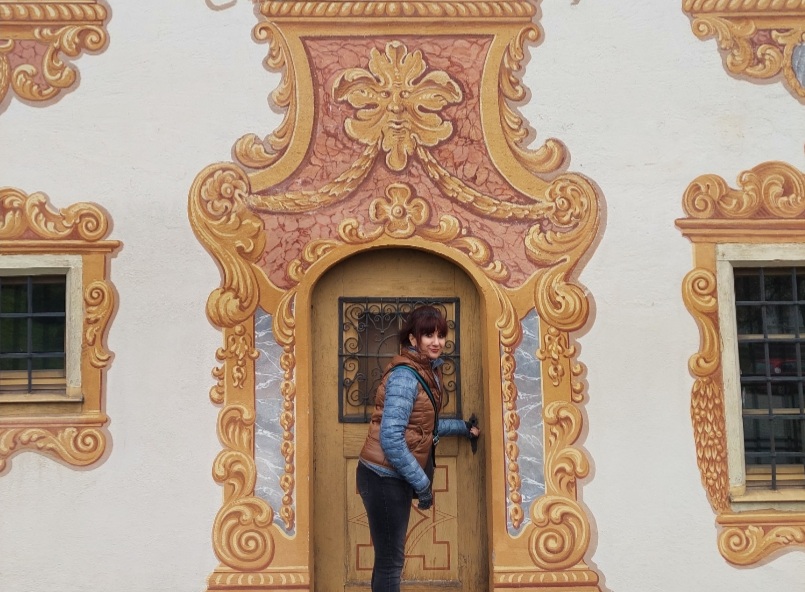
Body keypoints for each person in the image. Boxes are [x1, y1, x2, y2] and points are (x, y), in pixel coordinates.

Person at [356, 304, 481, 592]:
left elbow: (424, 426)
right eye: (428, 335)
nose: (436, 342)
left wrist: (464, 428)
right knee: (390, 563)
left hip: (391, 476)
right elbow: (391, 438)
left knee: (388, 560)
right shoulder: (405, 376)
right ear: (413, 339)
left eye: (440, 335)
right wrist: (422, 484)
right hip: (382, 477)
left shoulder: (425, 371)